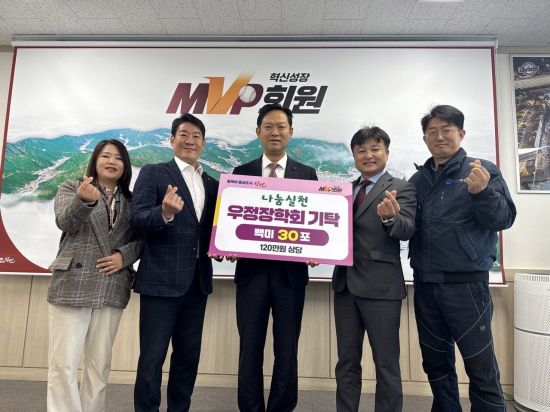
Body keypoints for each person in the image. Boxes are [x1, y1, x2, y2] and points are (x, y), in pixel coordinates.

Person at [409, 105, 517, 412]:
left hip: (466, 286)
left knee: (480, 366)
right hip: (425, 285)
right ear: (425, 138)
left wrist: (483, 192)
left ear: (461, 133)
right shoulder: (417, 180)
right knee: (435, 363)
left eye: (447, 130)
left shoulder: (481, 170)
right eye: (432, 131)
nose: (439, 136)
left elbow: (503, 219)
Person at [229, 103, 318, 412]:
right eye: (268, 126)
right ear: (258, 132)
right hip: (250, 276)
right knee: (249, 349)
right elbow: (229, 222)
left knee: (287, 350)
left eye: (281, 126)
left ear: (291, 132)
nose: (275, 132)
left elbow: (315, 223)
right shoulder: (240, 174)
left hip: (290, 278)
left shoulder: (307, 175)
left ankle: (281, 407)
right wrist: (226, 244)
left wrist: (316, 249)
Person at [131, 113, 219, 412]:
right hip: (160, 282)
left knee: (187, 358)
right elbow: (137, 219)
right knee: (152, 359)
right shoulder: (154, 173)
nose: (190, 140)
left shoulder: (212, 183)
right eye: (184, 134)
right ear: (172, 140)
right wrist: (165, 213)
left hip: (197, 283)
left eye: (196, 136)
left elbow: (211, 230)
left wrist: (223, 247)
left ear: (203, 143)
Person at [47, 139, 141, 412]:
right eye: (105, 156)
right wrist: (83, 201)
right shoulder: (72, 187)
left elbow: (143, 240)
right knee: (64, 363)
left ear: (125, 165)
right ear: (95, 160)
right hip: (73, 283)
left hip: (112, 284)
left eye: (118, 158)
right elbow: (64, 221)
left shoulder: (132, 201)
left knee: (99, 365)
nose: (112, 162)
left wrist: (124, 255)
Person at [332, 126, 416, 412]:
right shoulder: (344, 190)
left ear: (386, 153)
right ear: (354, 156)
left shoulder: (402, 187)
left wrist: (391, 219)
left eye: (375, 149)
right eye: (361, 150)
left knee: (386, 364)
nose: (368, 155)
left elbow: (407, 229)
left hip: (382, 288)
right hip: (345, 287)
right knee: (346, 362)